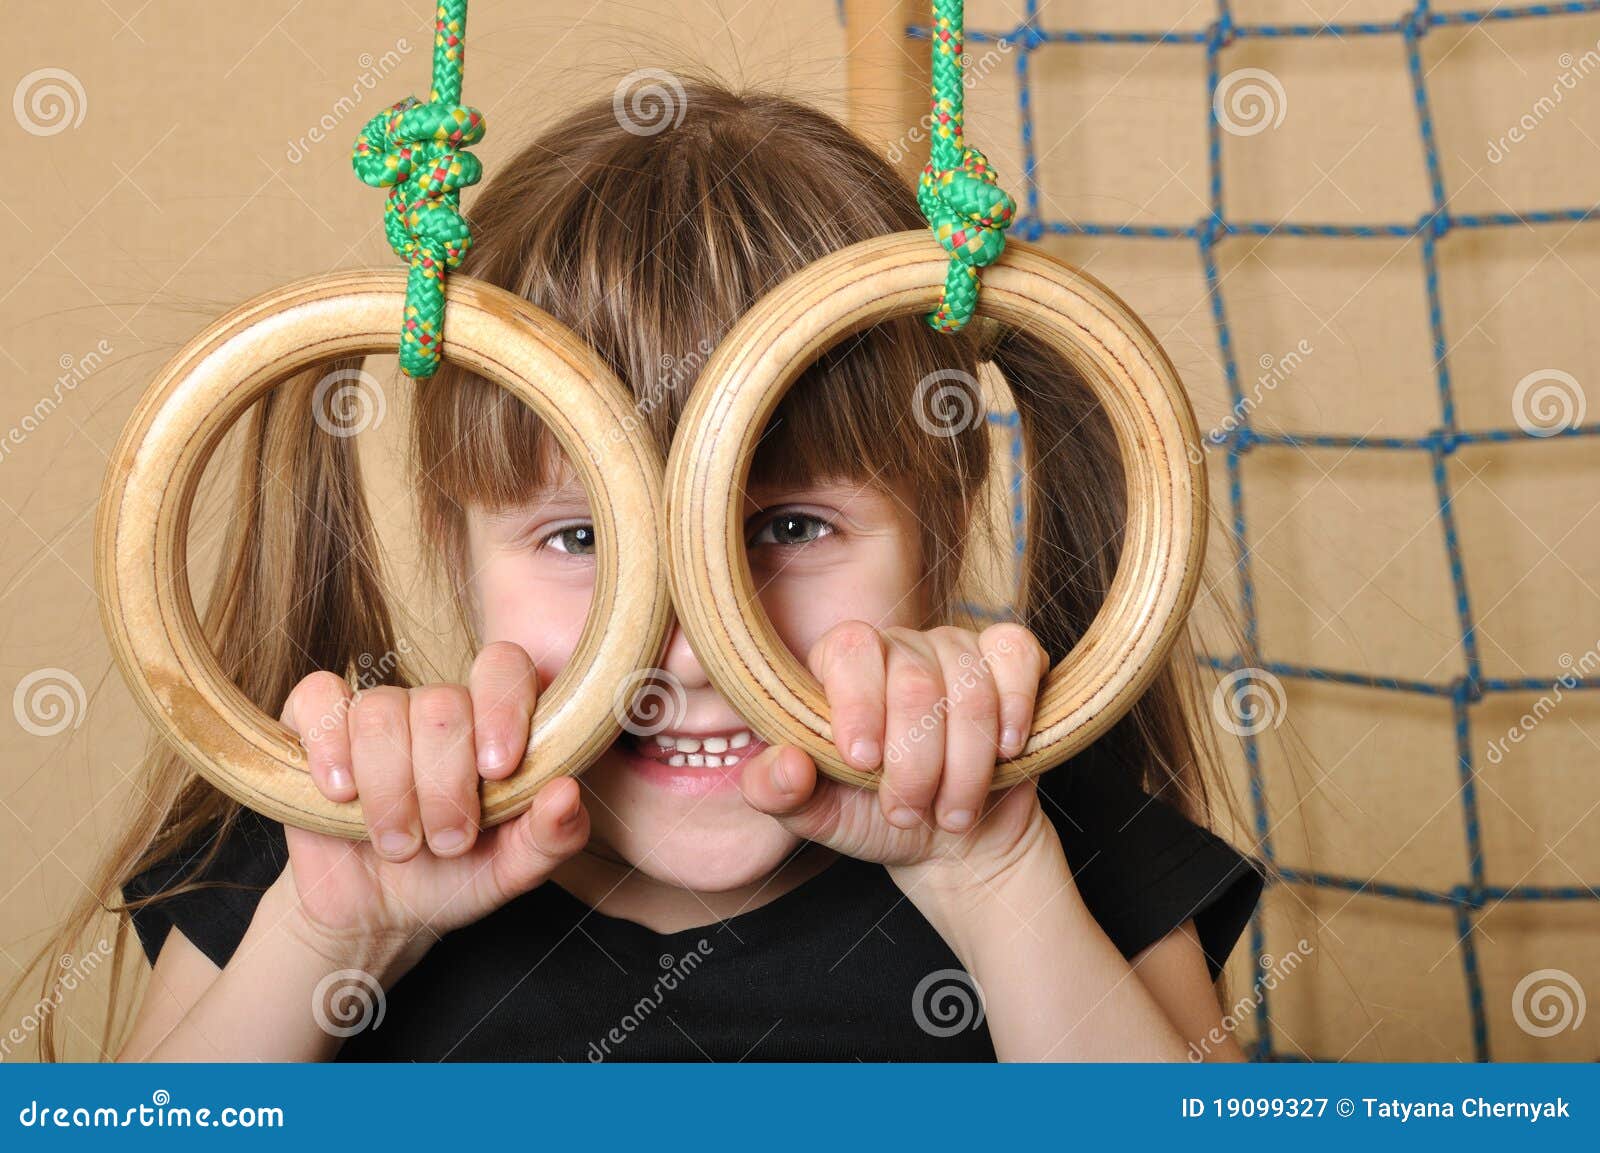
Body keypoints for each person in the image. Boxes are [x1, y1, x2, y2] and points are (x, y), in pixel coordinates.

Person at [28, 77, 1262, 1062]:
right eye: (581, 540)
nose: (689, 644)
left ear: (946, 522)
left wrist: (991, 884)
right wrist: (328, 938)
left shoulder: (1053, 846)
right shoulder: (319, 846)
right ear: (453, 546)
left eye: (788, 529)